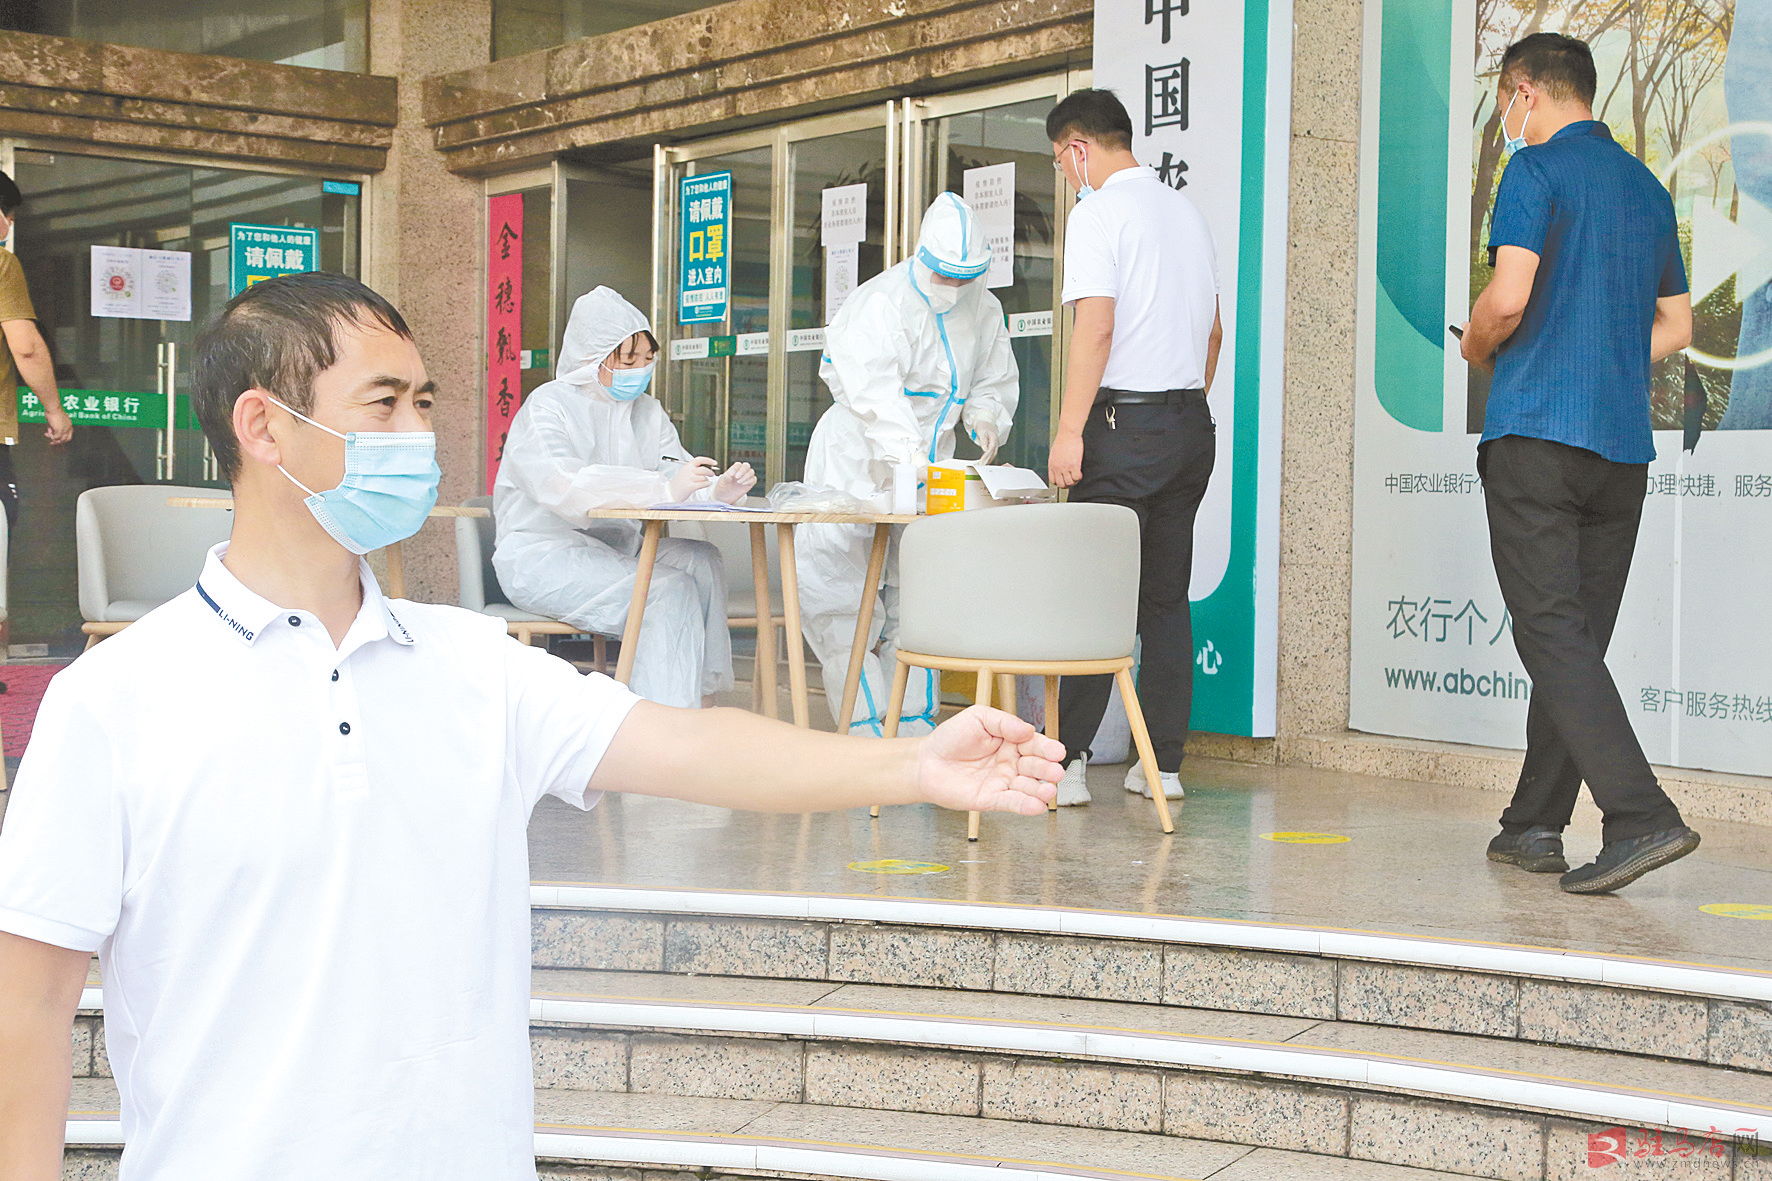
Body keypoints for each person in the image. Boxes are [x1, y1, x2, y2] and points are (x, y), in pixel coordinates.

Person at [0, 272, 1062, 1181]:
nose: (417, 435)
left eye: (424, 402)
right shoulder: (117, 699)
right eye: (382, 405)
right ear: (263, 425)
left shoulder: (472, 665)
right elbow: (30, 1011)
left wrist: (911, 762)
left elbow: (692, 745)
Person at [1460, 33, 1700, 894]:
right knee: (1576, 640)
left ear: (1524, 92)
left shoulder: (1533, 170)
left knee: (1551, 632)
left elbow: (1509, 296)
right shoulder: (1646, 188)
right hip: (1620, 450)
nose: (1506, 115)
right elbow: (1678, 325)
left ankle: (1640, 815)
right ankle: (1533, 822)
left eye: (1505, 100)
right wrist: (1601, 351)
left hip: (1537, 437)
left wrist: (1477, 345)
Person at [1044, 89, 1221, 807]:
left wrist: (1069, 431)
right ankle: (1162, 766)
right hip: (1189, 427)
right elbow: (1213, 334)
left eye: (1061, 162)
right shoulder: (1186, 212)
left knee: (1097, 599)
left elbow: (1096, 328)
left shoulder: (1098, 214)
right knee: (1165, 601)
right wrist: (1182, 407)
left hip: (1123, 430)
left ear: (1079, 148)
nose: (1065, 176)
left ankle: (1068, 765)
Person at [797, 192, 1018, 737]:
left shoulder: (984, 308)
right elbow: (875, 395)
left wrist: (986, 415)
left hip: (931, 462)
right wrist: (907, 454)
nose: (953, 288)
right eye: (945, 275)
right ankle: (864, 728)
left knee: (916, 596)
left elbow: (993, 377)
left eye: (965, 278)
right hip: (856, 459)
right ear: (922, 258)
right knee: (843, 598)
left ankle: (915, 725)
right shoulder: (881, 302)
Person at [494, 286, 753, 709]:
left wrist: (715, 490)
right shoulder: (547, 407)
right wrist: (662, 489)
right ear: (591, 358)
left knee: (701, 561)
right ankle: (661, 723)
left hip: (619, 548)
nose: (641, 370)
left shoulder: (647, 412)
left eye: (647, 359)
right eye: (628, 361)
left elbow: (673, 470)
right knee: (666, 591)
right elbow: (564, 484)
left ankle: (701, 700)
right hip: (543, 556)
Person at [0, 168, 75, 527]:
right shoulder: (2, 264)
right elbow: (26, 346)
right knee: (3, 521)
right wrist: (55, 410)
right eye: (9, 215)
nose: (10, 225)